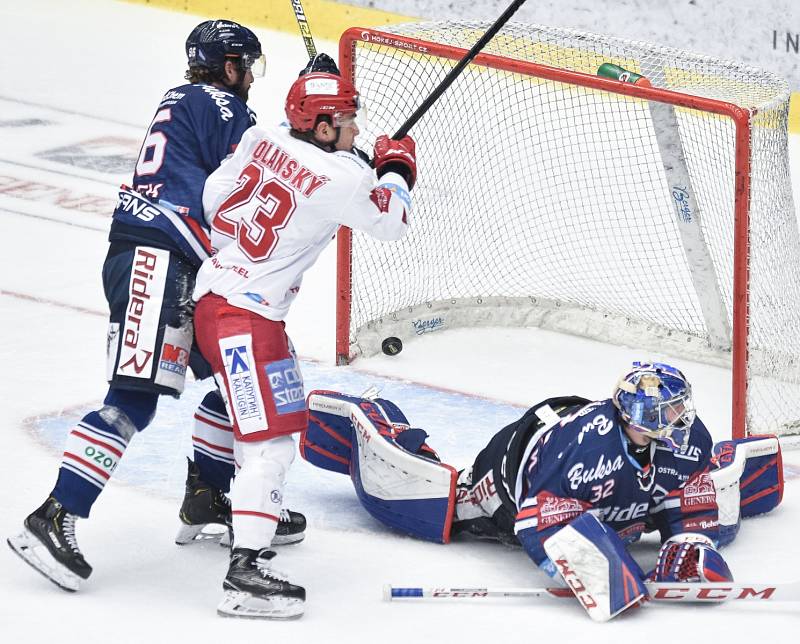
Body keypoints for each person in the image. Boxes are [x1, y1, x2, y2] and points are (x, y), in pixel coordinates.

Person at [6, 19, 300, 592]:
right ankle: (53, 516)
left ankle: (209, 497)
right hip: (157, 261)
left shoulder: (188, 98)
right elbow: (266, 172)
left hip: (173, 263)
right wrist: (313, 127)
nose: (250, 80)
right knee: (132, 400)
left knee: (236, 377)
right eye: (248, 65)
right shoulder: (220, 104)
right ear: (230, 66)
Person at [301, 361, 783, 620]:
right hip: (509, 482)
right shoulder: (583, 447)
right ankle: (371, 419)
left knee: (721, 501)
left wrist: (689, 542)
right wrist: (597, 563)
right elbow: (538, 517)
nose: (679, 420)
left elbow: (689, 491)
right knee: (424, 503)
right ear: (633, 415)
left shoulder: (689, 436)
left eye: (680, 408)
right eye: (665, 413)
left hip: (611, 500)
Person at [191, 70, 417, 619]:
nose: (356, 128)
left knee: (262, 410)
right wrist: (395, 169)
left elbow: (215, 203)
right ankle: (245, 570)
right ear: (318, 126)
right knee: (270, 444)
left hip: (217, 296)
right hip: (244, 317)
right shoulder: (344, 176)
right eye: (344, 120)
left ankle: (209, 500)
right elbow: (391, 223)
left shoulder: (260, 137)